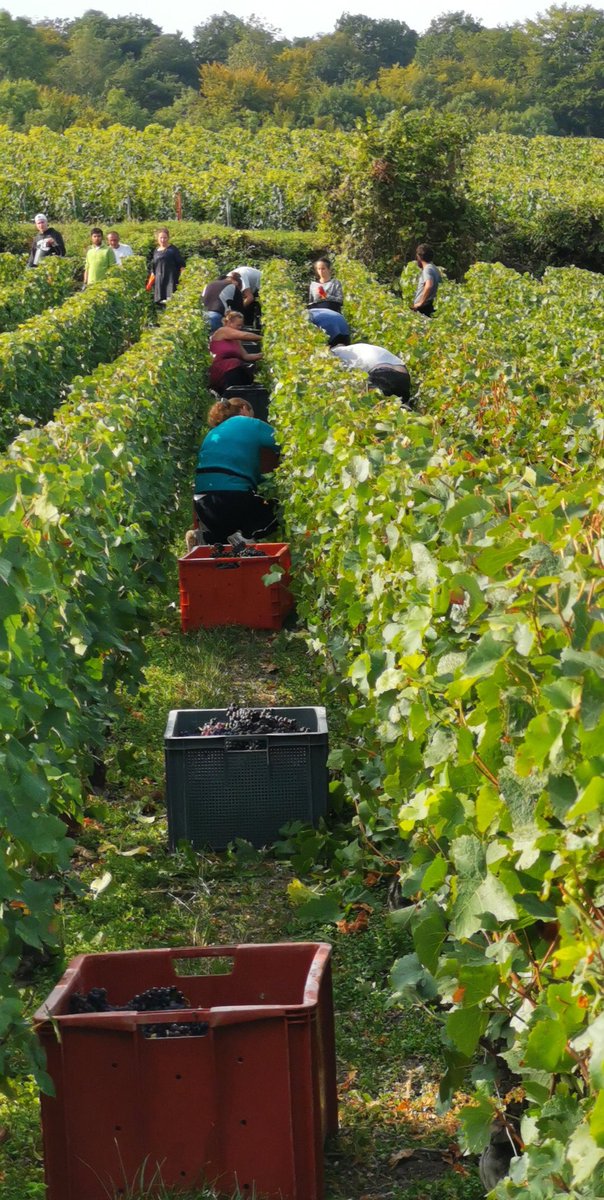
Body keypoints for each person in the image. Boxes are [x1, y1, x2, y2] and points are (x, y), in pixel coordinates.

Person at [194, 398, 278, 542]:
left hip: (202, 503)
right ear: (244, 409)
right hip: (232, 498)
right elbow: (285, 442)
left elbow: (236, 471)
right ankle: (246, 536)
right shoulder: (251, 423)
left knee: (222, 542)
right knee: (278, 511)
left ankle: (203, 537)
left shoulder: (213, 433)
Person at [332, 342, 411, 405]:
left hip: (382, 374)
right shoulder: (358, 347)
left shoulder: (337, 354)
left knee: (370, 403)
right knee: (398, 402)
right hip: (402, 374)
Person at [209, 319, 262, 394]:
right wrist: (264, 338)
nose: (240, 328)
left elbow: (246, 356)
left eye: (241, 326)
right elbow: (245, 335)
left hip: (235, 368)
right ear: (229, 322)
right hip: (222, 371)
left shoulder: (236, 340)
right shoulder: (222, 331)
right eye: (238, 325)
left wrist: (264, 354)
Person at [148, 227, 185, 304]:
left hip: (171, 282)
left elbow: (182, 266)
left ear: (168, 238)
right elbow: (154, 270)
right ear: (157, 239)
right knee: (161, 305)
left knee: (172, 303)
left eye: (165, 238)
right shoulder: (156, 251)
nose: (163, 240)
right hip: (160, 283)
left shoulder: (173, 250)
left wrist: (183, 281)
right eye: (161, 238)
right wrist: (149, 284)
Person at [412, 244, 442, 317]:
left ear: (419, 257)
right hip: (430, 305)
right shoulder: (435, 268)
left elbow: (429, 285)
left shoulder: (427, 269)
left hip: (424, 308)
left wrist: (420, 303)